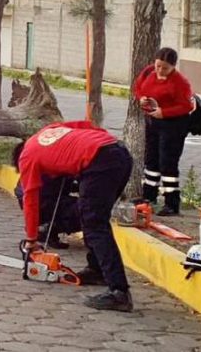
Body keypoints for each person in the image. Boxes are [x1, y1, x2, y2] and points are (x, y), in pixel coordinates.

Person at [15, 121, 134, 312]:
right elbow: (86, 125)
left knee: (94, 224)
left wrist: (31, 239)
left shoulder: (27, 159)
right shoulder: (47, 132)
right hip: (118, 151)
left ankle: (119, 292)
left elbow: (31, 200)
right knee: (96, 219)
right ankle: (97, 270)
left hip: (99, 162)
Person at [133, 47, 195, 216]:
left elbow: (186, 105)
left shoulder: (180, 82)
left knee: (168, 162)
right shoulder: (148, 72)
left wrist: (165, 112)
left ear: (173, 67)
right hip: (153, 121)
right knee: (151, 159)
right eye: (158, 66)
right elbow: (138, 88)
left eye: (165, 68)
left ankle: (172, 203)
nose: (160, 70)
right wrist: (142, 98)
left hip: (174, 124)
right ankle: (149, 196)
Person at [13, 173, 81, 249]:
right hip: (41, 198)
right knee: (87, 210)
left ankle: (45, 228)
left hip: (29, 196)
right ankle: (49, 229)